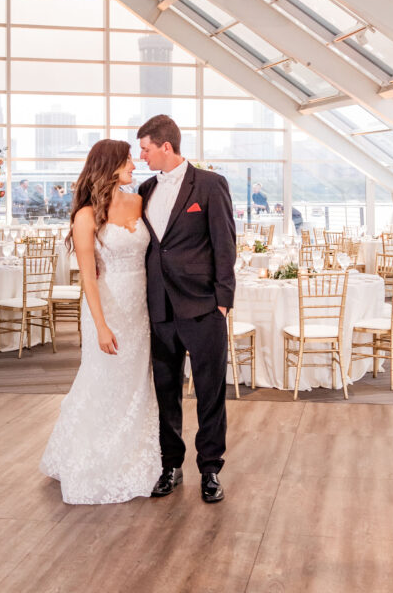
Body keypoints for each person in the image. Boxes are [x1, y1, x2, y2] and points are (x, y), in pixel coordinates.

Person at [40, 140, 160, 504]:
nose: (135, 166)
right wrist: (101, 325)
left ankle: (137, 454)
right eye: (128, 161)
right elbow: (88, 278)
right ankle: (94, 455)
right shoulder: (86, 216)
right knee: (103, 378)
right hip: (105, 308)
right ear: (110, 165)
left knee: (138, 381)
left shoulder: (140, 202)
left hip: (140, 308)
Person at [137, 114, 236, 505]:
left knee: (211, 391)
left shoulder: (211, 185)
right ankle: (170, 465)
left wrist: (224, 301)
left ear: (166, 147)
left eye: (145, 148)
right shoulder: (144, 189)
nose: (140, 155)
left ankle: (210, 470)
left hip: (204, 307)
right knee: (166, 391)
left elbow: (225, 244)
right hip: (160, 307)